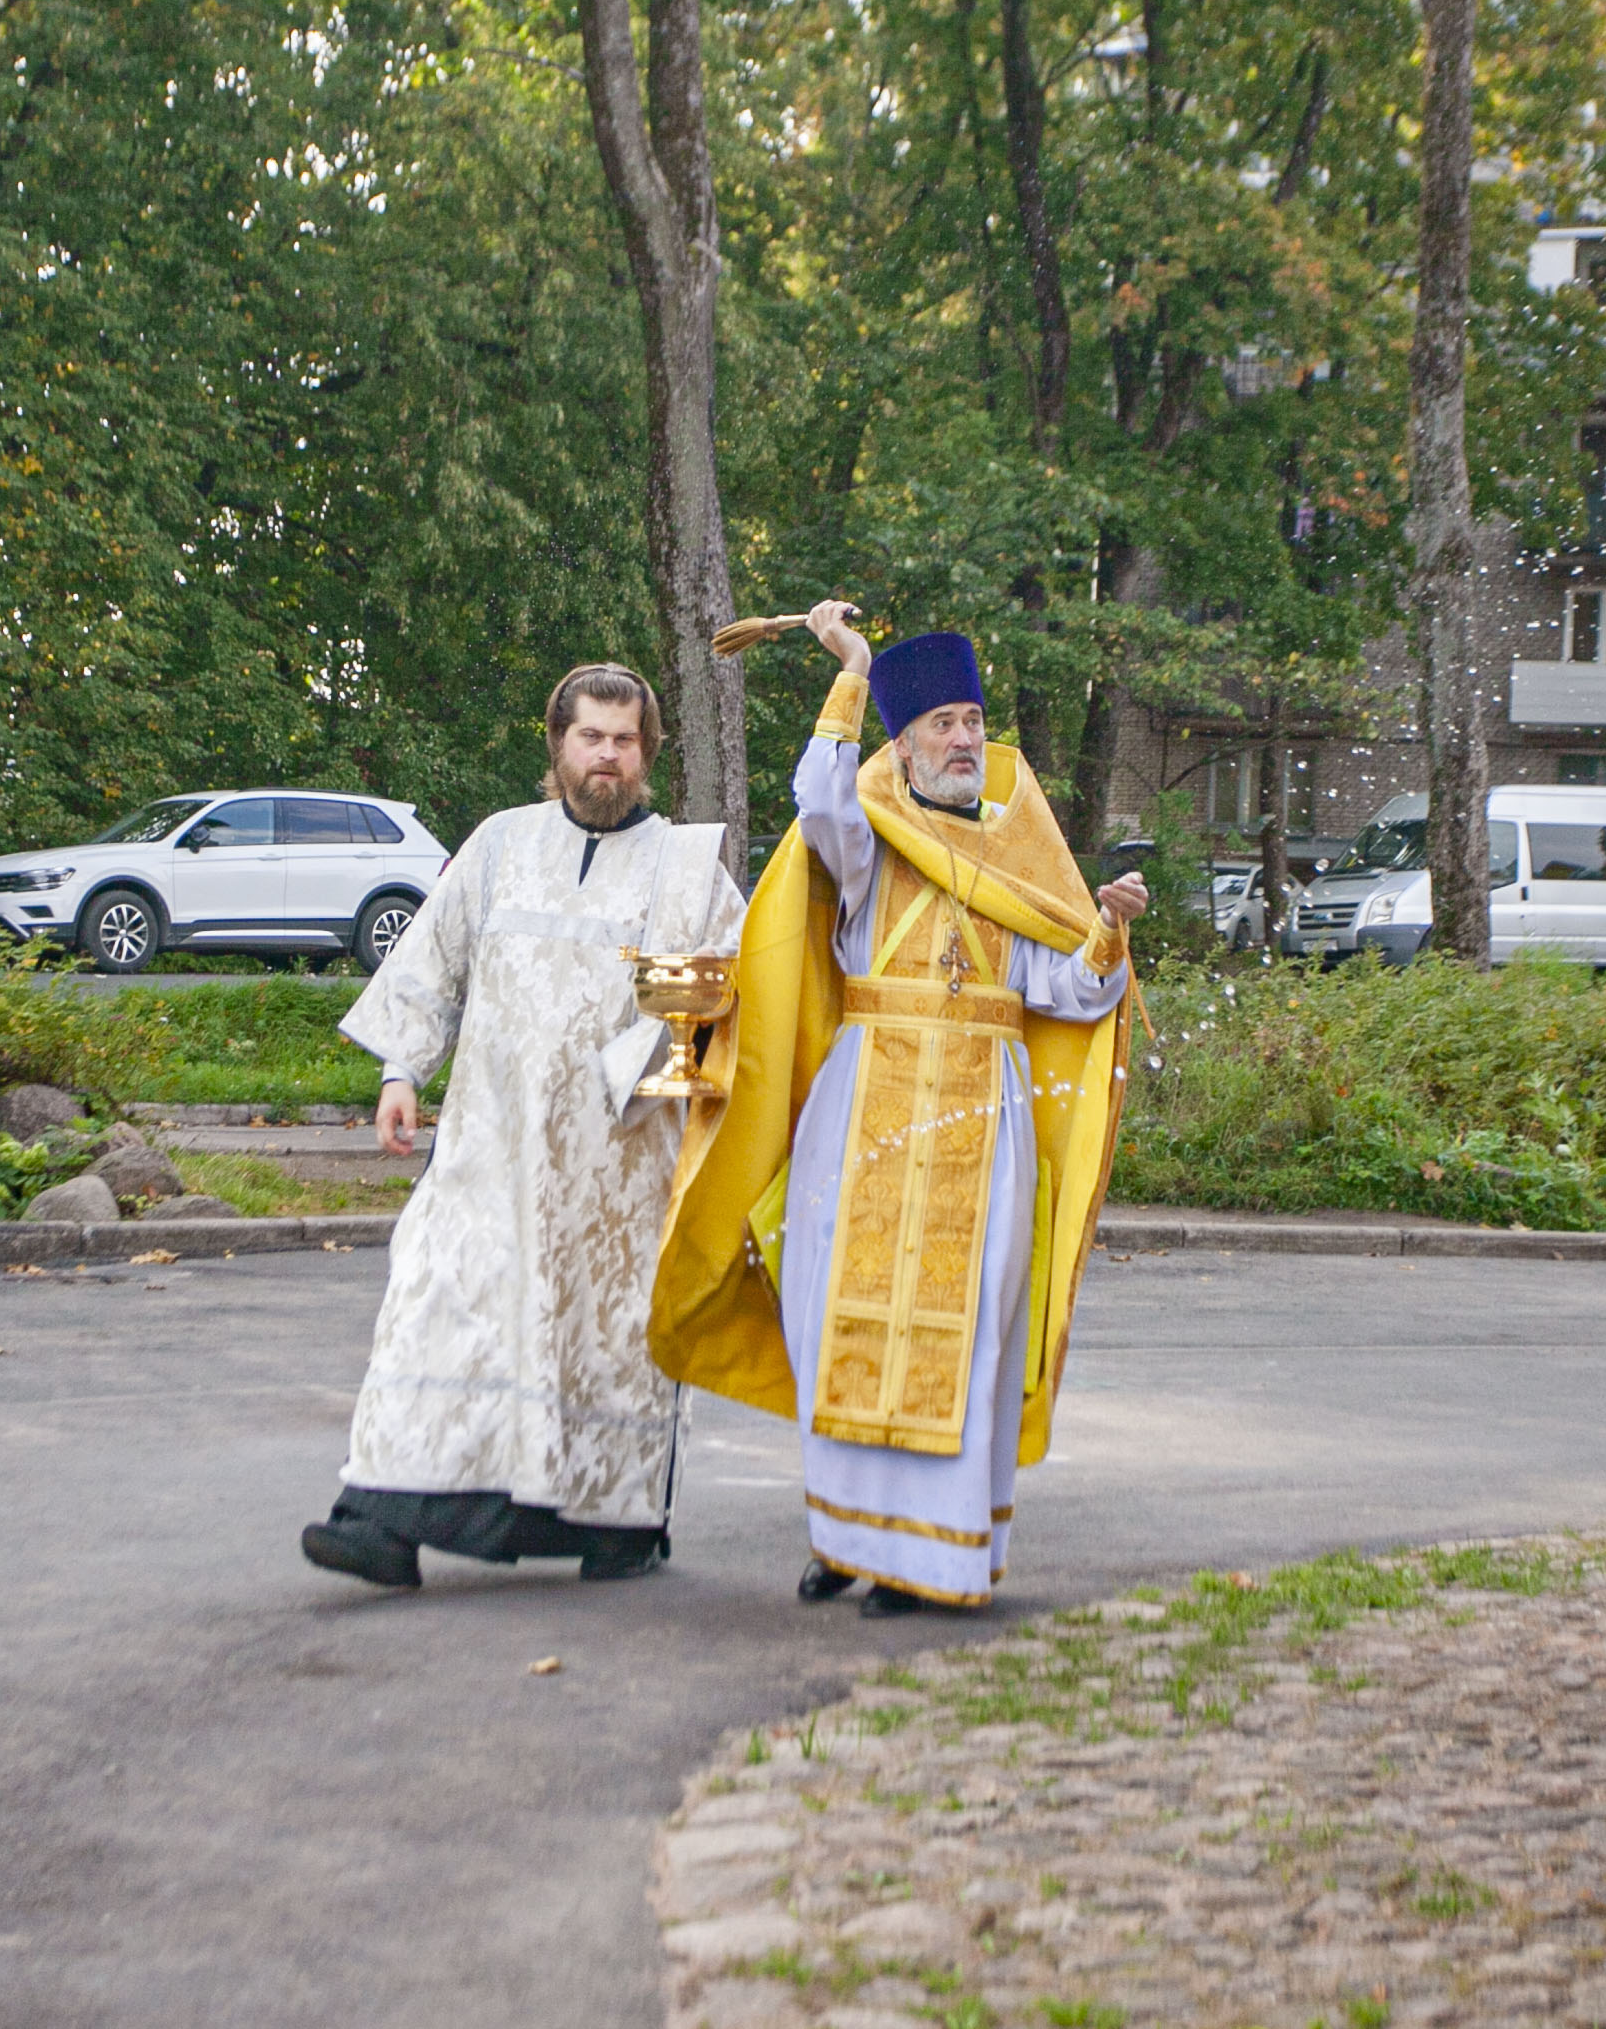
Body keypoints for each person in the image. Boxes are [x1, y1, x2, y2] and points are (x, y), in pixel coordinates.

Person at [646, 603, 1142, 1615]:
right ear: (905, 745)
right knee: (836, 1311)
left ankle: (929, 1559)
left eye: (972, 721)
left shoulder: (1024, 856)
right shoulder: (869, 839)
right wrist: (852, 671)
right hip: (864, 1106)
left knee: (964, 1337)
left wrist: (1104, 932)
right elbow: (818, 801)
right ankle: (842, 1539)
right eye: (943, 726)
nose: (964, 740)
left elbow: (1072, 994)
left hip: (982, 1118)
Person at [299, 664, 745, 1588]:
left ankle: (614, 1524)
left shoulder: (682, 868)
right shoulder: (501, 844)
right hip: (488, 1150)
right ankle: (377, 1517)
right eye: (590, 736)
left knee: (602, 1337)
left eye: (624, 740)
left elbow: (716, 1011)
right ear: (558, 745)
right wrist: (398, 1071)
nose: (607, 756)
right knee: (436, 1304)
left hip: (615, 1165)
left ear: (647, 752)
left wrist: (628, 1081)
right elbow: (436, 961)